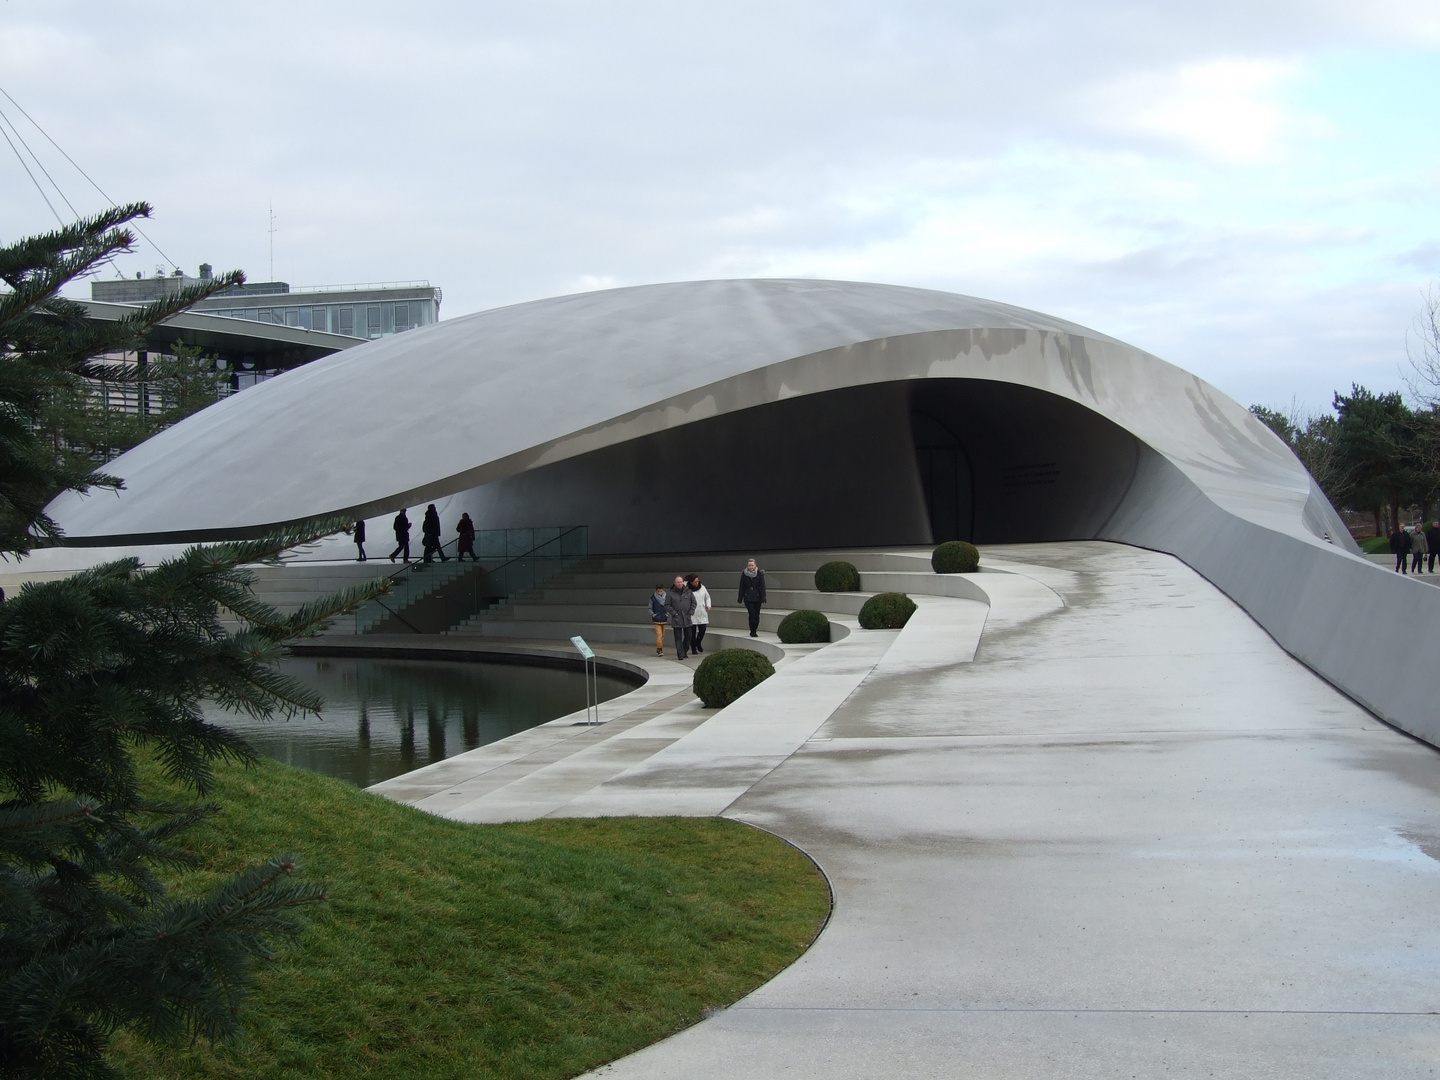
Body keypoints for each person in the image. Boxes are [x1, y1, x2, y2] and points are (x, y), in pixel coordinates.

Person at [665, 575, 696, 660]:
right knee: (678, 637)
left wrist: (690, 613)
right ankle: (680, 654)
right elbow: (667, 605)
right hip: (677, 618)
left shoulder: (689, 592)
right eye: (677, 582)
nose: (679, 584)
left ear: (683, 582)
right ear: (674, 583)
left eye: (680, 582)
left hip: (687, 617)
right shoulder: (670, 593)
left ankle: (684, 650)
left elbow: (694, 603)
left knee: (688, 636)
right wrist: (674, 613)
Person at [737, 557, 766, 637]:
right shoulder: (744, 574)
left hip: (757, 597)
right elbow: (741, 587)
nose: (751, 567)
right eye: (749, 565)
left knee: (757, 615)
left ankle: (755, 629)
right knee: (752, 614)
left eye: (752, 565)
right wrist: (740, 598)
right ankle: (752, 631)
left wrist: (763, 597)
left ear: (755, 565)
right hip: (748, 597)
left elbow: (762, 586)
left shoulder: (760, 573)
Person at [688, 574, 712, 653]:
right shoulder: (687, 589)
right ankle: (693, 648)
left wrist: (708, 605)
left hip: (702, 611)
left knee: (702, 630)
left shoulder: (702, 587)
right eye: (695, 582)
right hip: (692, 612)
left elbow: (707, 597)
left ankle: (698, 642)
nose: (697, 583)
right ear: (691, 582)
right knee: (692, 632)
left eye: (697, 581)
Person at [649, 584, 668, 656]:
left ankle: (659, 648)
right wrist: (653, 615)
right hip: (656, 619)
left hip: (664, 618)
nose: (660, 593)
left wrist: (667, 614)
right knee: (659, 634)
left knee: (662, 635)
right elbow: (650, 608)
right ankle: (659, 649)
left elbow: (669, 606)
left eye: (661, 591)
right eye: (658, 591)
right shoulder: (653, 598)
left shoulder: (666, 598)